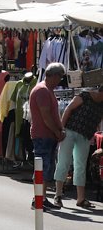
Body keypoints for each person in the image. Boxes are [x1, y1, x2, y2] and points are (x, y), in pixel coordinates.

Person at [54, 85, 103, 208]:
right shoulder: (84, 96)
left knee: (80, 165)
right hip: (70, 131)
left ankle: (80, 198)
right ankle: (58, 195)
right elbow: (68, 109)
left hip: (85, 136)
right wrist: (61, 129)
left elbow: (98, 120)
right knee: (64, 162)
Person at [30, 62, 66, 211]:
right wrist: (57, 131)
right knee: (42, 168)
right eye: (60, 77)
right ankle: (37, 200)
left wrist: (59, 130)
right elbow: (46, 116)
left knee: (47, 168)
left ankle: (42, 198)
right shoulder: (43, 91)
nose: (60, 81)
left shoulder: (48, 90)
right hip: (42, 135)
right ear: (54, 76)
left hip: (48, 136)